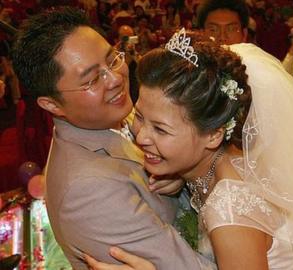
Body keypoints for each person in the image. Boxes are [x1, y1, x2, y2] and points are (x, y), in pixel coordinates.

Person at [85, 28, 293, 270]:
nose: (141, 137)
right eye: (140, 116)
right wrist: (183, 177)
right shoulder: (237, 157)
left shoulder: (230, 211)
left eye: (161, 129)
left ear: (214, 134)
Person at [11, 7, 213, 270]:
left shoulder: (118, 115)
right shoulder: (87, 190)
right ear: (52, 105)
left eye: (113, 59)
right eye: (93, 79)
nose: (116, 78)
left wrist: (182, 176)